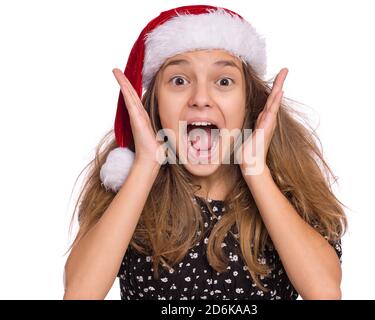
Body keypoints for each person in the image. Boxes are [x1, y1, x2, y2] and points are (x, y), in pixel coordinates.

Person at [63, 4, 347, 300]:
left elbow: (325, 292)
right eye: (179, 81)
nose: (200, 98)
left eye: (224, 81)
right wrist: (146, 165)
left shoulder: (288, 186)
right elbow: (80, 293)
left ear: (249, 101)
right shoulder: (126, 187)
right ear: (156, 103)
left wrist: (256, 171)